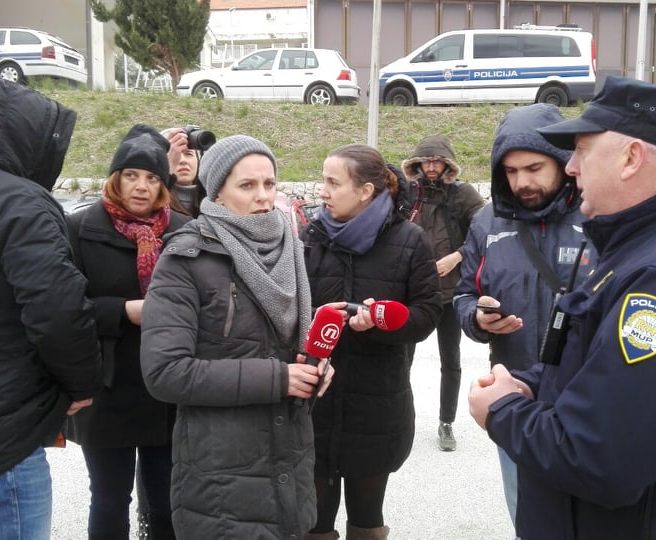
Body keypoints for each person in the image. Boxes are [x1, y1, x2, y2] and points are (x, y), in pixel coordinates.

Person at [467, 76, 656, 539]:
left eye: (582, 150)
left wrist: (501, 411)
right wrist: (524, 384)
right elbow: (589, 370)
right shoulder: (636, 249)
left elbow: (601, 457)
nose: (571, 169)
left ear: (630, 158)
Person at [139, 135, 333, 538]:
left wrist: (315, 370)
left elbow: (290, 344)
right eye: (247, 186)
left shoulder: (291, 248)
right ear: (219, 192)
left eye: (270, 183)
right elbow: (165, 372)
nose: (263, 197)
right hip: (220, 476)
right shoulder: (185, 258)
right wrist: (279, 379)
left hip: (290, 459)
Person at [0, 76, 102, 539]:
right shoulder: (20, 203)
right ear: (20, 135)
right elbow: (57, 309)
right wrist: (82, 383)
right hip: (4, 437)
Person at [453, 103, 593, 527]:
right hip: (514, 396)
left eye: (533, 168)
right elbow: (464, 295)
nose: (522, 182)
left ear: (563, 161)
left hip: (585, 397)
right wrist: (478, 318)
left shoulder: (597, 213)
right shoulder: (485, 222)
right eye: (511, 172)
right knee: (528, 517)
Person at [302, 144, 442, 540]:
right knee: (313, 519)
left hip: (377, 405)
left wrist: (380, 322)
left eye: (333, 182)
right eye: (323, 180)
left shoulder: (411, 241)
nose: (322, 191)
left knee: (366, 515)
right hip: (315, 404)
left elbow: (428, 314)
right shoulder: (311, 237)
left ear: (365, 191)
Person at [65, 124, 189, 539]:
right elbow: (66, 307)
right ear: (115, 177)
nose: (141, 187)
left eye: (153, 178)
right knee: (108, 498)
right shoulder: (81, 229)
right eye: (132, 175)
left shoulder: (182, 230)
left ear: (164, 184)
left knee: (168, 499)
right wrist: (124, 311)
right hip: (107, 388)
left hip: (166, 387)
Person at [400, 135, 485, 452]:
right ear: (418, 163)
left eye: (438, 161)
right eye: (426, 161)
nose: (431, 167)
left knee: (451, 360)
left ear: (447, 163)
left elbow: (484, 229)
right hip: (413, 291)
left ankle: (446, 423)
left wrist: (458, 255)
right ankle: (402, 416)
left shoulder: (462, 194)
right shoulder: (409, 193)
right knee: (402, 359)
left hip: (450, 294)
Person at [161, 126, 207, 217]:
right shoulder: (153, 200)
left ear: (199, 160)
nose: (182, 160)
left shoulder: (213, 199)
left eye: (189, 154)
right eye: (175, 154)